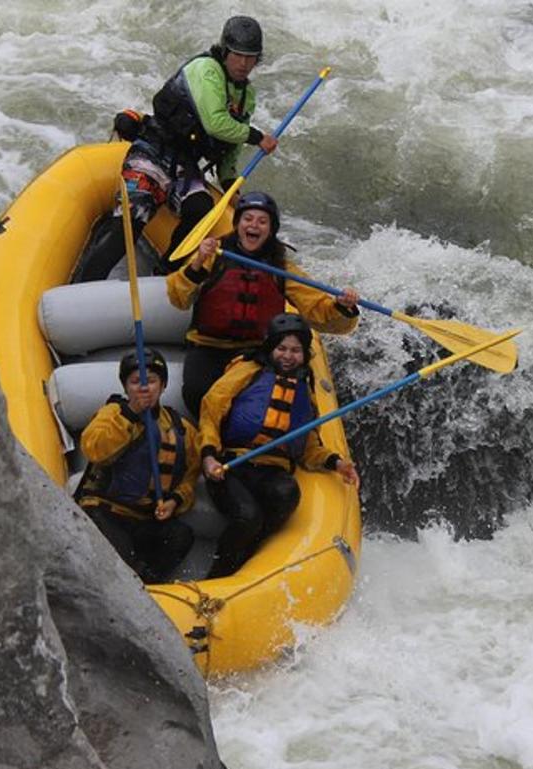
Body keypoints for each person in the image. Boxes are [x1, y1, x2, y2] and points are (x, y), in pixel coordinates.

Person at [78, 15, 279, 281]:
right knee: (130, 222)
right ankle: (86, 285)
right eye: (237, 55)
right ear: (225, 51)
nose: (243, 64)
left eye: (250, 57)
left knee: (200, 209)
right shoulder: (206, 69)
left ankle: (165, 275)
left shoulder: (246, 97)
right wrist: (256, 137)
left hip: (185, 165)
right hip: (152, 151)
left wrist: (231, 184)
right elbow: (216, 123)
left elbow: (229, 149)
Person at [166, 190, 361, 416]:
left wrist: (342, 307)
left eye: (262, 221)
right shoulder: (212, 255)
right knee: (196, 392)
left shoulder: (281, 268)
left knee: (271, 399)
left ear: (271, 229)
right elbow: (178, 298)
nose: (254, 226)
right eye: (248, 219)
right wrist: (197, 263)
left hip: (257, 351)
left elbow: (318, 309)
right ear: (237, 223)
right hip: (208, 347)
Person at [198, 313, 359, 577]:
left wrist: (337, 463)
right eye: (282, 348)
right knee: (247, 516)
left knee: (287, 494)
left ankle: (251, 559)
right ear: (271, 348)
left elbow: (308, 447)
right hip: (232, 464)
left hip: (271, 471)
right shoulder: (248, 372)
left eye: (295, 350)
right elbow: (211, 410)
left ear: (304, 355)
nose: (288, 356)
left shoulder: (303, 391)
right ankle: (219, 573)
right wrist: (208, 456)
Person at [75, 348, 199, 583]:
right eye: (135, 382)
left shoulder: (181, 428)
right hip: (105, 512)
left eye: (151, 382)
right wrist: (132, 413)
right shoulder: (113, 413)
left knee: (180, 535)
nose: (144, 388)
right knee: (124, 562)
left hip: (145, 518)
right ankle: (133, 580)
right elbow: (94, 448)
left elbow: (190, 476)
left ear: (162, 387)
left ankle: (149, 584)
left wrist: (176, 500)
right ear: (126, 388)